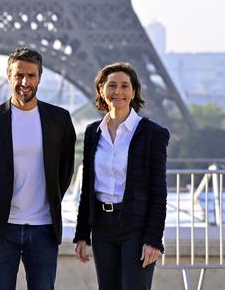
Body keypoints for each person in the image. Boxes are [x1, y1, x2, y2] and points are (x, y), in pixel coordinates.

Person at [0, 47, 76, 290]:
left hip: (44, 228)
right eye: (19, 75)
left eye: (31, 75)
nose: (25, 82)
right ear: (9, 76)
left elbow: (65, 170)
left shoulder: (59, 119)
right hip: (1, 229)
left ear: (40, 77)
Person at [74, 62, 170, 290]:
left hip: (136, 227)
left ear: (134, 91)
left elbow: (158, 192)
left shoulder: (152, 134)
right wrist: (81, 234)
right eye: (112, 86)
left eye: (125, 86)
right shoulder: (92, 133)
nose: (118, 92)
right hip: (102, 227)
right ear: (101, 90)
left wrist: (154, 239)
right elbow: (88, 187)